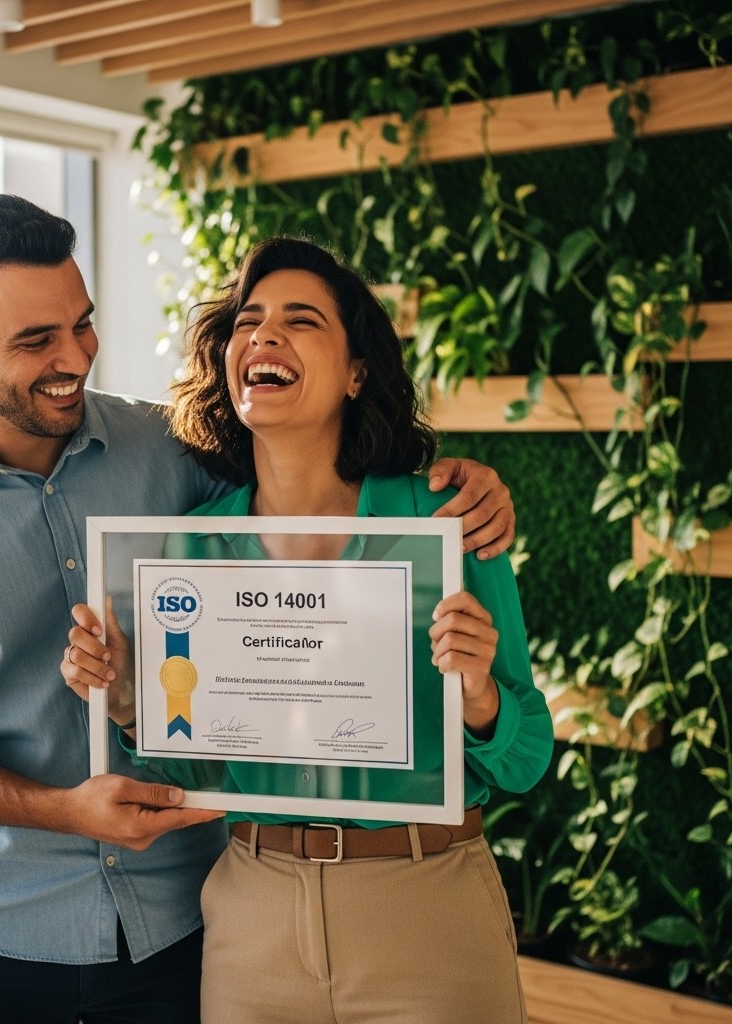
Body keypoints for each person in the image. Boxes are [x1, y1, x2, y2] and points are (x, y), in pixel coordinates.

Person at [0, 194, 519, 1024]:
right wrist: (63, 810)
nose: (75, 357)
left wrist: (468, 484)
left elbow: (309, 481)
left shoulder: (179, 449)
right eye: (36, 340)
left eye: (83, 324)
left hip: (184, 926)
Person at [63, 236, 554, 1024]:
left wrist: (479, 695)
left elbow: (526, 760)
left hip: (426, 910)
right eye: (248, 321)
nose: (265, 334)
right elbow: (198, 766)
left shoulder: (443, 520)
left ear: (356, 371)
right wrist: (127, 702)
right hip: (253, 918)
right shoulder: (192, 547)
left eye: (301, 320)